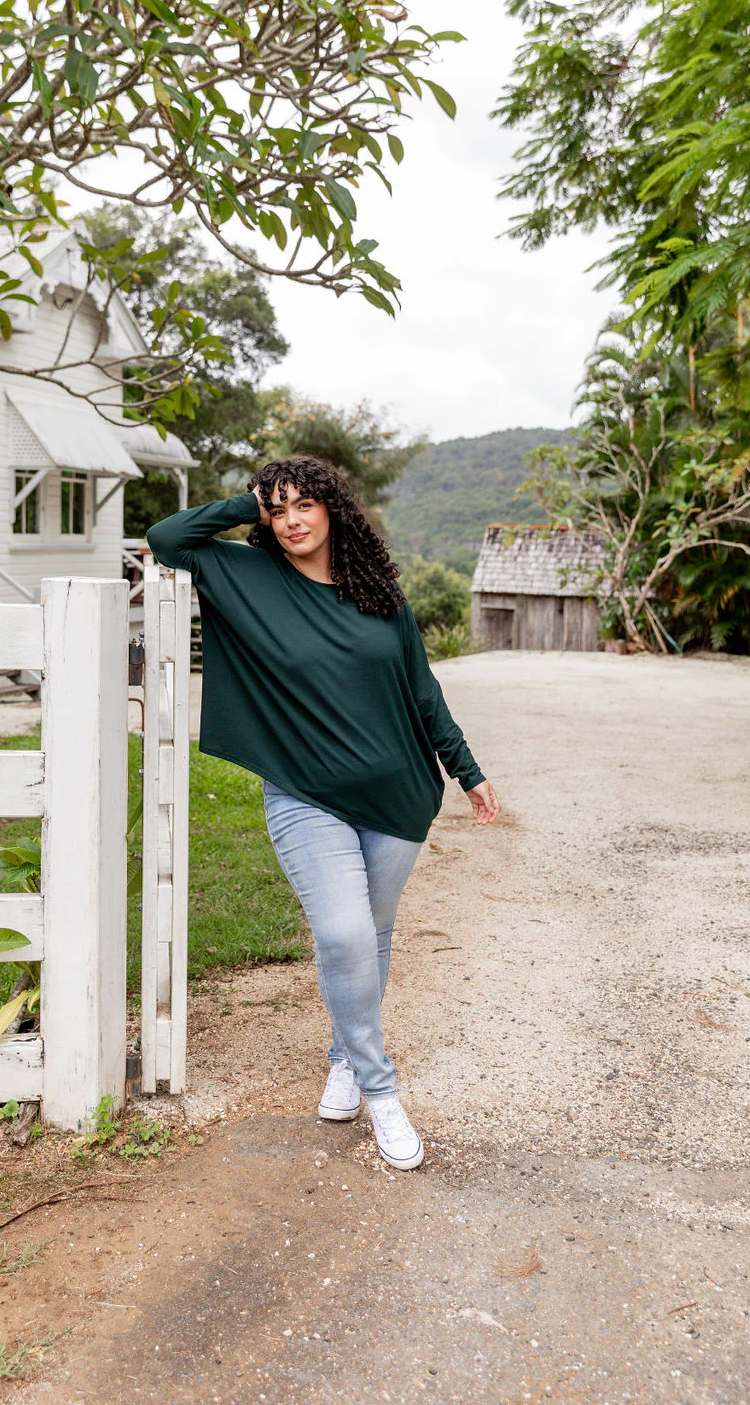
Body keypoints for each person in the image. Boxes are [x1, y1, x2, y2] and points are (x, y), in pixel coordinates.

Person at [147, 455, 500, 1170]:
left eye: (304, 504)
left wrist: (466, 769)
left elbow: (420, 689)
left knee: (371, 931)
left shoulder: (379, 594)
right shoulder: (245, 579)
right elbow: (167, 537)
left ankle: (344, 1052)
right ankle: (382, 1090)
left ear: (334, 508)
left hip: (398, 794)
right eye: (277, 511)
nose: (292, 521)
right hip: (304, 793)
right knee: (342, 933)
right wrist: (244, 503)